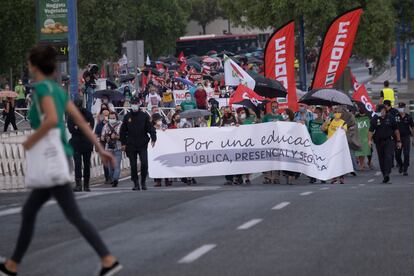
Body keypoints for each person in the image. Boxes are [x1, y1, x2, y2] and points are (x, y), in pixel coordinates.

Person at [0, 45, 122, 276]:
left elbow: (51, 120)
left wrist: (30, 141)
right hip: (58, 156)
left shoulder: (43, 90)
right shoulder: (57, 90)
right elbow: (82, 122)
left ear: (34, 66)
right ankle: (13, 265)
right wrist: (99, 148)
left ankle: (107, 258)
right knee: (36, 213)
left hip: (50, 158)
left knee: (63, 215)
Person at [120, 98, 157, 191]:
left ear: (139, 104)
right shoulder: (127, 116)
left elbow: (150, 128)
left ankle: (143, 181)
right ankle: (136, 183)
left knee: (144, 163)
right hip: (131, 144)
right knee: (133, 165)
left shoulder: (144, 116)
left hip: (142, 143)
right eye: (132, 104)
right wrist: (123, 143)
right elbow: (122, 131)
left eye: (136, 103)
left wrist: (153, 138)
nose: (134, 105)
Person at [368, 104, 402, 183]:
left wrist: (399, 141)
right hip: (379, 142)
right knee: (381, 159)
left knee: (388, 157)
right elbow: (370, 131)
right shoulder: (375, 119)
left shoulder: (391, 118)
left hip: (389, 141)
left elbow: (396, 130)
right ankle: (385, 175)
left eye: (381, 111)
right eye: (378, 111)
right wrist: (369, 140)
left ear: (385, 110)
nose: (380, 113)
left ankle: (387, 173)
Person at [68, 99, 95, 192]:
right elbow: (71, 129)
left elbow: (90, 126)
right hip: (79, 143)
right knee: (80, 164)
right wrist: (83, 127)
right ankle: (81, 185)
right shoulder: (72, 115)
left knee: (84, 164)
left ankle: (84, 185)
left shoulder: (86, 114)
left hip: (84, 142)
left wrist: (78, 127)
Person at [322, 107, 348, 184]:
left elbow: (345, 131)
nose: (337, 113)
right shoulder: (330, 121)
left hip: (339, 145)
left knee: (340, 161)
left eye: (338, 112)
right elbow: (322, 129)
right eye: (335, 112)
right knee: (332, 161)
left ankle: (341, 177)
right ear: (333, 113)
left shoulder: (343, 122)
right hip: (330, 144)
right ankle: (334, 177)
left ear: (341, 114)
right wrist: (326, 122)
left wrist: (343, 129)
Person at [261, 102, 283, 184]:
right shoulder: (267, 117)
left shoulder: (280, 117)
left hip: (277, 141)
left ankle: (276, 177)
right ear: (271, 107)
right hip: (268, 140)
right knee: (268, 159)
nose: (274, 108)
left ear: (278, 107)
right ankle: (267, 177)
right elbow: (262, 127)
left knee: (276, 159)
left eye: (276, 107)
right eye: (273, 107)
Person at [101, 112, 123, 187]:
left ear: (116, 117)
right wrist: (106, 137)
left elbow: (124, 136)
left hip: (118, 147)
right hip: (109, 149)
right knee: (110, 167)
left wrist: (116, 137)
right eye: (110, 118)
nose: (112, 119)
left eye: (113, 118)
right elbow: (102, 137)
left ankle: (115, 180)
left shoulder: (121, 125)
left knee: (116, 165)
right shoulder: (106, 126)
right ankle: (112, 177)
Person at [307, 107, 328, 183]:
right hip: (313, 144)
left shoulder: (325, 122)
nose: (315, 114)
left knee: (322, 161)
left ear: (321, 113)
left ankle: (323, 177)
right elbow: (308, 132)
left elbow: (328, 132)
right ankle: (313, 177)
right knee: (313, 161)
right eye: (314, 112)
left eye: (317, 112)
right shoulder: (311, 122)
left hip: (323, 144)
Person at [395, 102, 414, 175]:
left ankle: (405, 169)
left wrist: (413, 139)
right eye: (399, 107)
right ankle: (401, 165)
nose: (400, 109)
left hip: (406, 137)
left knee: (406, 154)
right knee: (397, 154)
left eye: (402, 107)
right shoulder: (395, 117)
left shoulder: (408, 117)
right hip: (397, 138)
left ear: (405, 108)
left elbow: (412, 128)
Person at [282, 109, 300, 185]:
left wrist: (300, 123)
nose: (284, 115)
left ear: (289, 115)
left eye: (285, 114)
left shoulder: (294, 123)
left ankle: (291, 176)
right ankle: (288, 175)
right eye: (283, 113)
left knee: (292, 161)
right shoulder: (281, 123)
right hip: (284, 146)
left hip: (292, 146)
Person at [94, 108, 111, 184]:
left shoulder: (112, 123)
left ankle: (113, 176)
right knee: (105, 162)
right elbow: (96, 135)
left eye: (107, 115)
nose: (105, 116)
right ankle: (107, 177)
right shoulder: (99, 125)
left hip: (111, 144)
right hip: (103, 144)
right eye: (104, 115)